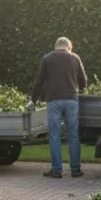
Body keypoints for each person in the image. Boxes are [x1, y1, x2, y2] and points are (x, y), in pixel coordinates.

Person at [30, 36, 88, 179]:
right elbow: (83, 80)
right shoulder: (75, 58)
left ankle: (56, 170)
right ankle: (75, 170)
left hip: (54, 101)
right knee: (73, 136)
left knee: (55, 136)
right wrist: (78, 89)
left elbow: (39, 82)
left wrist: (33, 100)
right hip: (71, 100)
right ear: (69, 47)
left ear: (56, 46)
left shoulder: (47, 59)